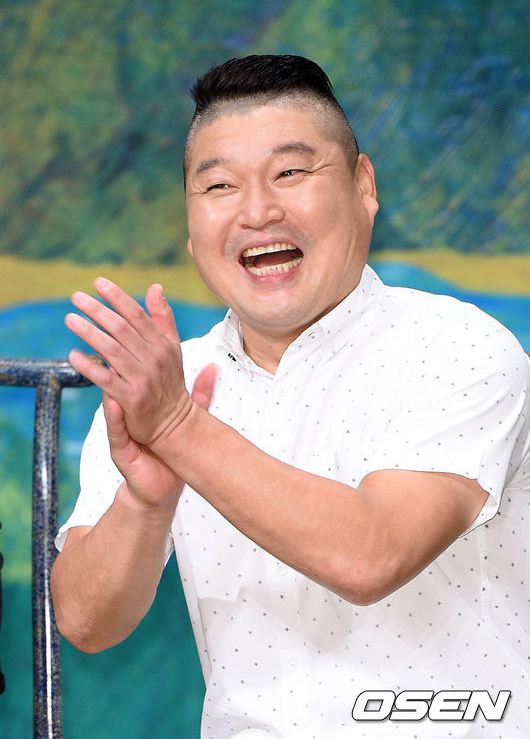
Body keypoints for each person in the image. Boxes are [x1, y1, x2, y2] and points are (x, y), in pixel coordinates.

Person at [51, 55, 530, 738]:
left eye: (290, 173)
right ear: (190, 224)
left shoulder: (458, 345)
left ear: (364, 186)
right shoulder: (165, 384)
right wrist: (145, 502)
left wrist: (181, 431)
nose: (257, 211)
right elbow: (85, 622)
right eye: (219, 185)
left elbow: (372, 556)